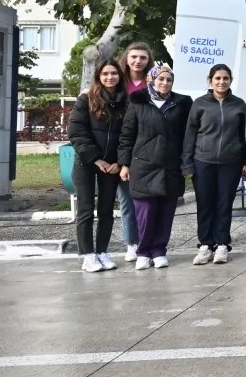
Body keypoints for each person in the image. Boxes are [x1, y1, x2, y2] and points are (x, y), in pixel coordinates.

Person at [118, 63, 192, 269]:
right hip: (143, 165)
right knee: (145, 212)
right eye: (161, 79)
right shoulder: (138, 102)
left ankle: (159, 250)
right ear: (151, 80)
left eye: (169, 79)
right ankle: (143, 252)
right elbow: (127, 135)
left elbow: (187, 135)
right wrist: (124, 164)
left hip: (171, 164)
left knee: (166, 212)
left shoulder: (182, 103)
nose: (165, 83)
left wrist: (186, 163)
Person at [182, 64, 246, 265]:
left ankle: (222, 244)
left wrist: (245, 161)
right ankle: (205, 245)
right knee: (205, 203)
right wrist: (187, 164)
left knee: (224, 203)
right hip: (203, 161)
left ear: (231, 80)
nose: (221, 82)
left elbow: (244, 135)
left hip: (230, 162)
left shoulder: (239, 105)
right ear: (210, 80)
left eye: (225, 78)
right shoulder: (199, 104)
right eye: (217, 78)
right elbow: (190, 135)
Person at [68, 60, 127, 272]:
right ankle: (87, 255)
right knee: (85, 209)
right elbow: (76, 131)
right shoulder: (86, 98)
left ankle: (102, 252)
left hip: (111, 165)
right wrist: (95, 158)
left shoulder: (126, 101)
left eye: (114, 73)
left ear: (120, 76)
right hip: (86, 161)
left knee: (106, 210)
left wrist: (120, 161)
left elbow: (128, 134)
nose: (110, 77)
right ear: (98, 77)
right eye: (105, 74)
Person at [116, 41, 153, 262]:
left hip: (147, 146)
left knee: (147, 202)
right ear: (127, 59)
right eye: (134, 57)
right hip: (122, 145)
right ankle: (132, 243)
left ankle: (148, 243)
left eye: (143, 58)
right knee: (127, 199)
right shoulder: (117, 81)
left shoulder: (153, 82)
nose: (138, 61)